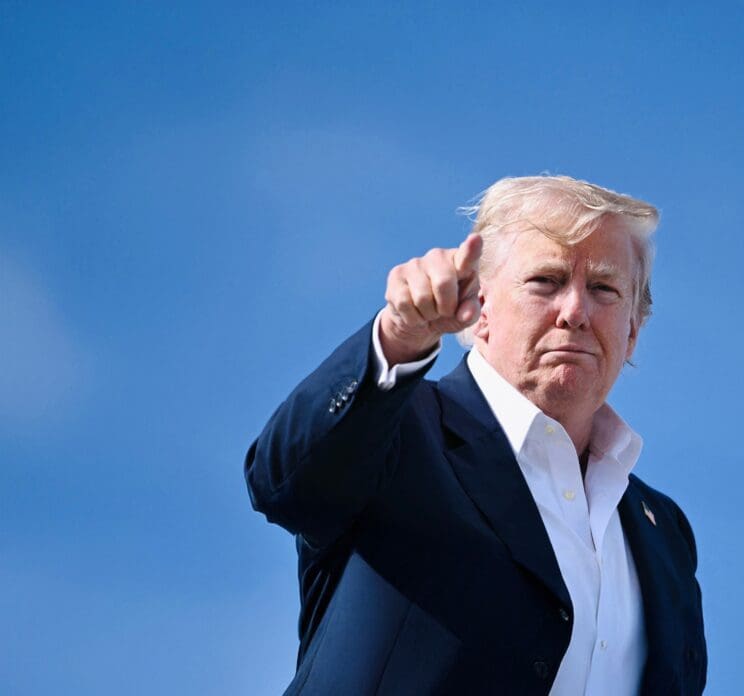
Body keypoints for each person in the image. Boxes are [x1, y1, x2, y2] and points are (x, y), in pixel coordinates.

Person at [245, 175, 707, 695]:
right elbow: (283, 483)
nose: (575, 311)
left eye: (603, 288)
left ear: (632, 332)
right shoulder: (397, 428)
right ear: (480, 308)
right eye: (546, 281)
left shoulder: (664, 532)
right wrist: (397, 337)